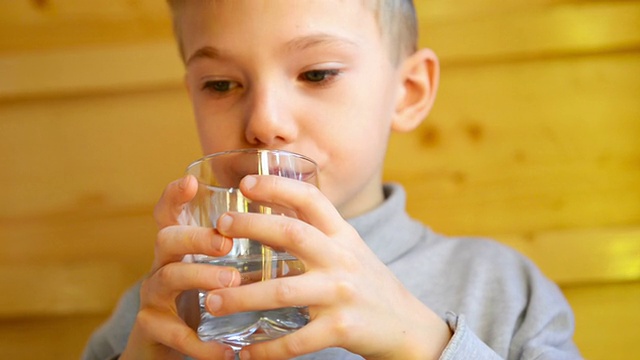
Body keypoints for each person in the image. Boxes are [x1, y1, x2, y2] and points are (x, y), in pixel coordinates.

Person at [82, 0, 583, 359]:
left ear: (407, 92)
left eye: (317, 74)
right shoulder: (156, 311)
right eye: (221, 84)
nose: (264, 122)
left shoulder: (503, 289)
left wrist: (425, 345)